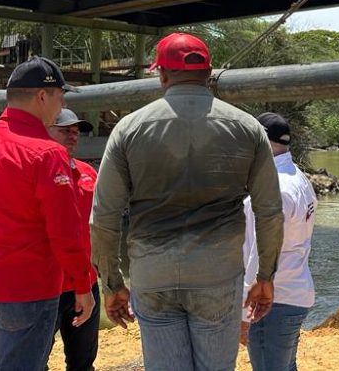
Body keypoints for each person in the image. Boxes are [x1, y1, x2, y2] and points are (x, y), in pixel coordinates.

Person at [90, 32, 284, 371]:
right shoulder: (248, 128)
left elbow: (104, 218)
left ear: (162, 75)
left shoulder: (128, 129)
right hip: (217, 274)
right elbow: (270, 212)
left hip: (153, 274)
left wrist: (112, 284)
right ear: (208, 75)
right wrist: (265, 275)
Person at [0, 56, 95, 371]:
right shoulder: (48, 153)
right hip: (27, 288)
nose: (61, 108)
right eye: (61, 98)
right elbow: (64, 231)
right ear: (42, 96)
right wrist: (82, 285)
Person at [241, 113, 318, 371]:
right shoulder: (298, 178)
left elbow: (258, 255)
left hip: (272, 302)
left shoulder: (273, 189)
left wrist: (243, 315)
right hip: (295, 291)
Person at [47, 109, 100, 371]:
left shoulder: (88, 172)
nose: (73, 136)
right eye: (65, 130)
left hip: (86, 282)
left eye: (76, 131)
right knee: (33, 360)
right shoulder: (39, 172)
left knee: (83, 362)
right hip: (47, 286)